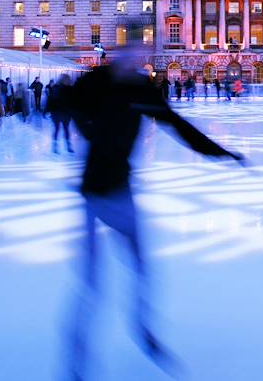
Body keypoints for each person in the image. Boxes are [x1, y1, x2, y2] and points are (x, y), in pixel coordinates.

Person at [66, 23, 243, 379]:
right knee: (92, 279)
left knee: (139, 266)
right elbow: (63, 105)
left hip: (120, 187)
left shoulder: (140, 87)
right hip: (93, 189)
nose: (137, 58)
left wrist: (219, 152)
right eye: (131, 52)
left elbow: (176, 124)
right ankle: (78, 352)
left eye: (141, 54)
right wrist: (88, 129)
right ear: (119, 52)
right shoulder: (94, 81)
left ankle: (142, 329)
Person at [47, 73, 74, 153]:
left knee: (64, 129)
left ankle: (67, 146)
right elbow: (50, 100)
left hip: (63, 113)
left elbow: (73, 102)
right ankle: (56, 146)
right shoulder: (60, 89)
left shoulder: (67, 89)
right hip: (58, 113)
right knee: (58, 129)